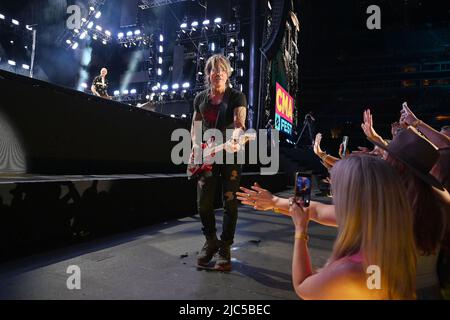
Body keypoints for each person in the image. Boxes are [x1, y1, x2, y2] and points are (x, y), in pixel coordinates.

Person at [291, 155, 416, 299]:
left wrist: (300, 230)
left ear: (351, 202)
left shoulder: (349, 270)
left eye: (336, 193)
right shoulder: (395, 247)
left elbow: (302, 287)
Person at [191, 54, 247, 271]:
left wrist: (235, 137)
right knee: (203, 203)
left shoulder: (236, 96)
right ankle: (211, 241)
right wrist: (196, 149)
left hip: (231, 155)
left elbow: (239, 122)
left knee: (229, 202)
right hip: (207, 156)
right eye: (214, 70)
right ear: (208, 74)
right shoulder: (200, 99)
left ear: (228, 73)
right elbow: (195, 128)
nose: (218, 73)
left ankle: (225, 246)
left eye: (222, 69)